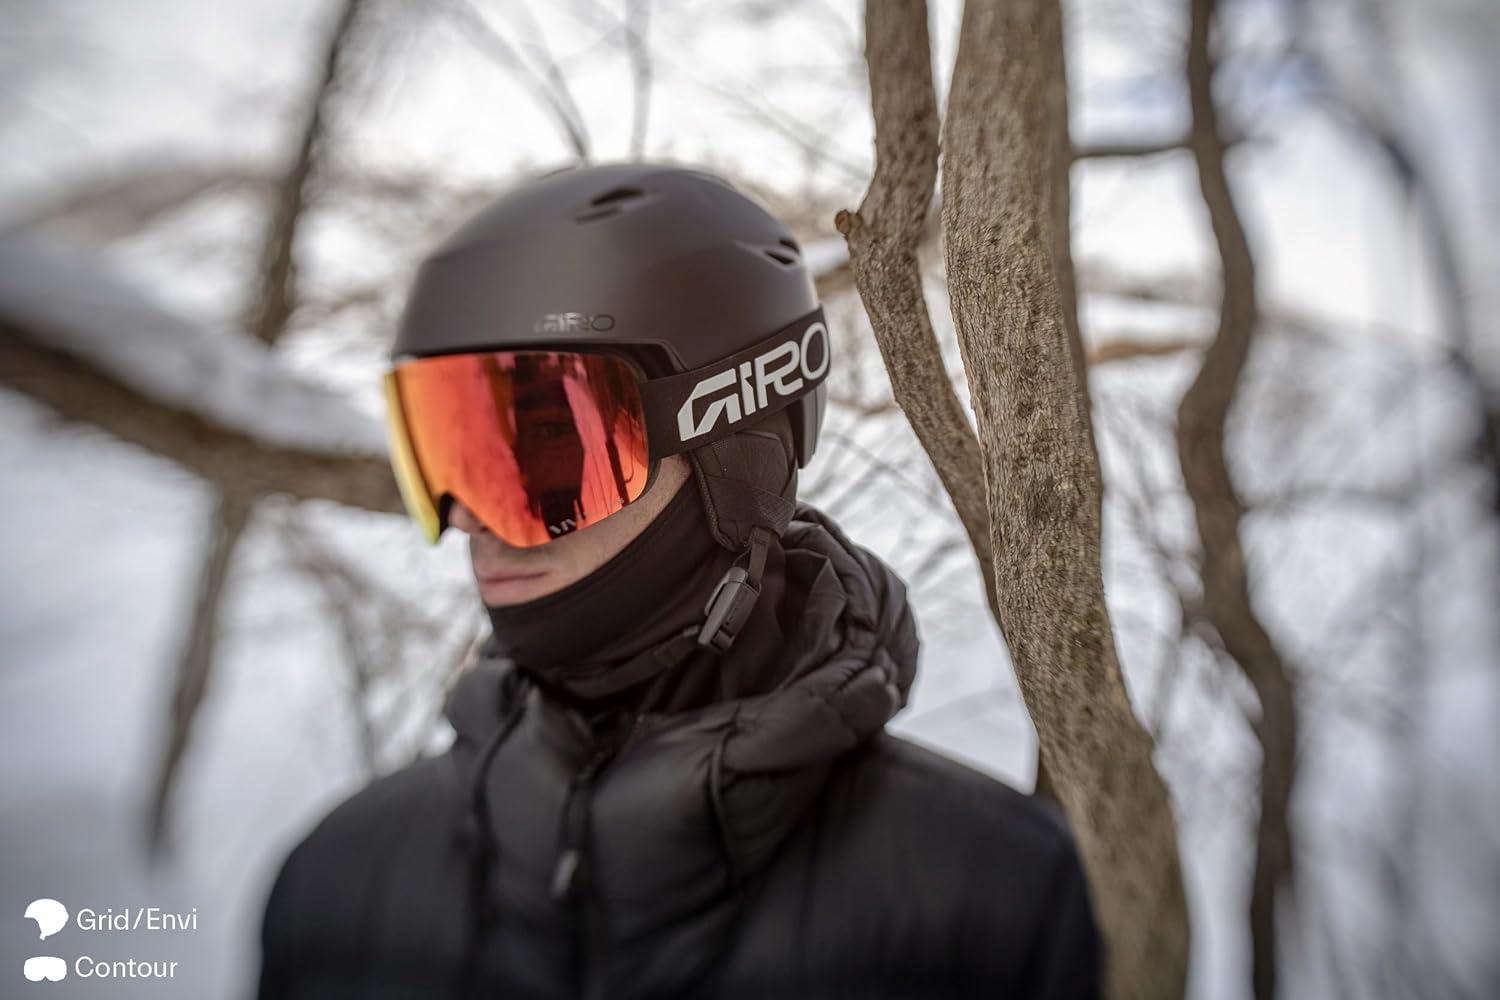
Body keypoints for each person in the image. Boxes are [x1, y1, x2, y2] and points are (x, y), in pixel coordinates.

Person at [254, 163, 1102, 999]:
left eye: (547, 449)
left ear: (733, 449)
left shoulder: (992, 906)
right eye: (448, 453)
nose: (470, 520)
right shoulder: (334, 887)